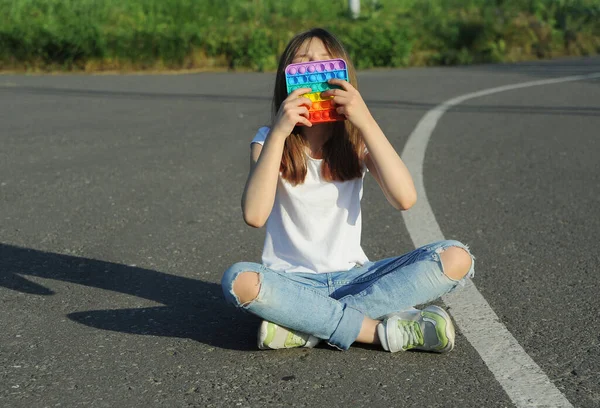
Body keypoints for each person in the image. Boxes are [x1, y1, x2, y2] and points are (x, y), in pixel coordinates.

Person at [221, 28, 475, 353]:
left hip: (356, 277)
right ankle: (381, 332)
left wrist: (365, 120)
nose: (315, 67)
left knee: (456, 257)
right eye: (303, 61)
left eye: (325, 61)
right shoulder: (269, 139)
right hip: (292, 282)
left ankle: (306, 324)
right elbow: (255, 215)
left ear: (343, 76)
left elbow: (405, 198)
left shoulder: (356, 140)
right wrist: (280, 132)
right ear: (287, 81)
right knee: (238, 280)